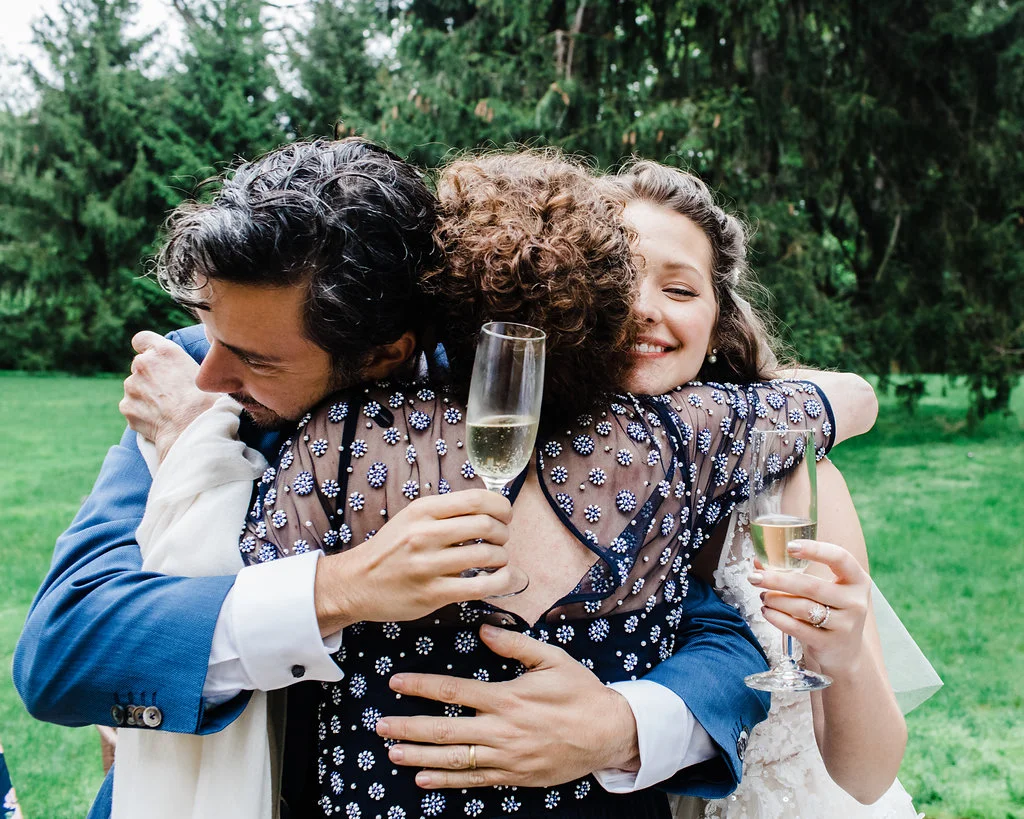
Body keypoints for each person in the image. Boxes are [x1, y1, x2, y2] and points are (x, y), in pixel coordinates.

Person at [13, 139, 813, 818]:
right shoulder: (191, 388)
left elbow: (697, 620)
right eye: (209, 329)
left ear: (387, 354)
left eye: (255, 358)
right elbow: (66, 649)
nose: (210, 375)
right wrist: (336, 588)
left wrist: (624, 725)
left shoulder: (523, 387)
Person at [598, 159, 924, 817]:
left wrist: (845, 657)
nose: (643, 308)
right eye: (616, 280)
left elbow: (867, 776)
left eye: (679, 289)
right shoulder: (545, 469)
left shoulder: (796, 479)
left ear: (719, 322)